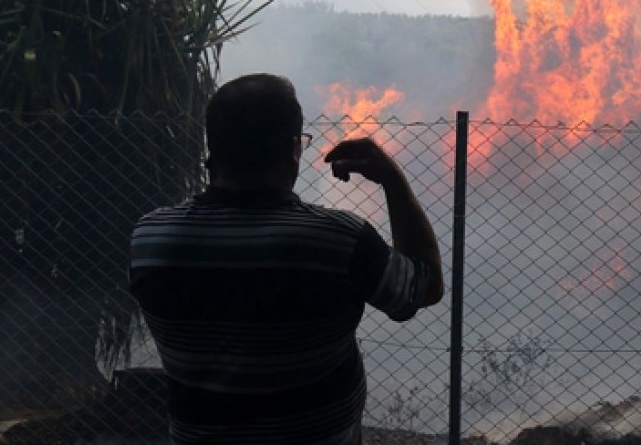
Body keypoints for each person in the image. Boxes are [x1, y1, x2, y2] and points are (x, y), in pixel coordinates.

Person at [129, 73, 443, 444]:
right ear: (293, 148)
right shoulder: (339, 241)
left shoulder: (149, 238)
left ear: (213, 147)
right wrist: (392, 178)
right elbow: (423, 287)